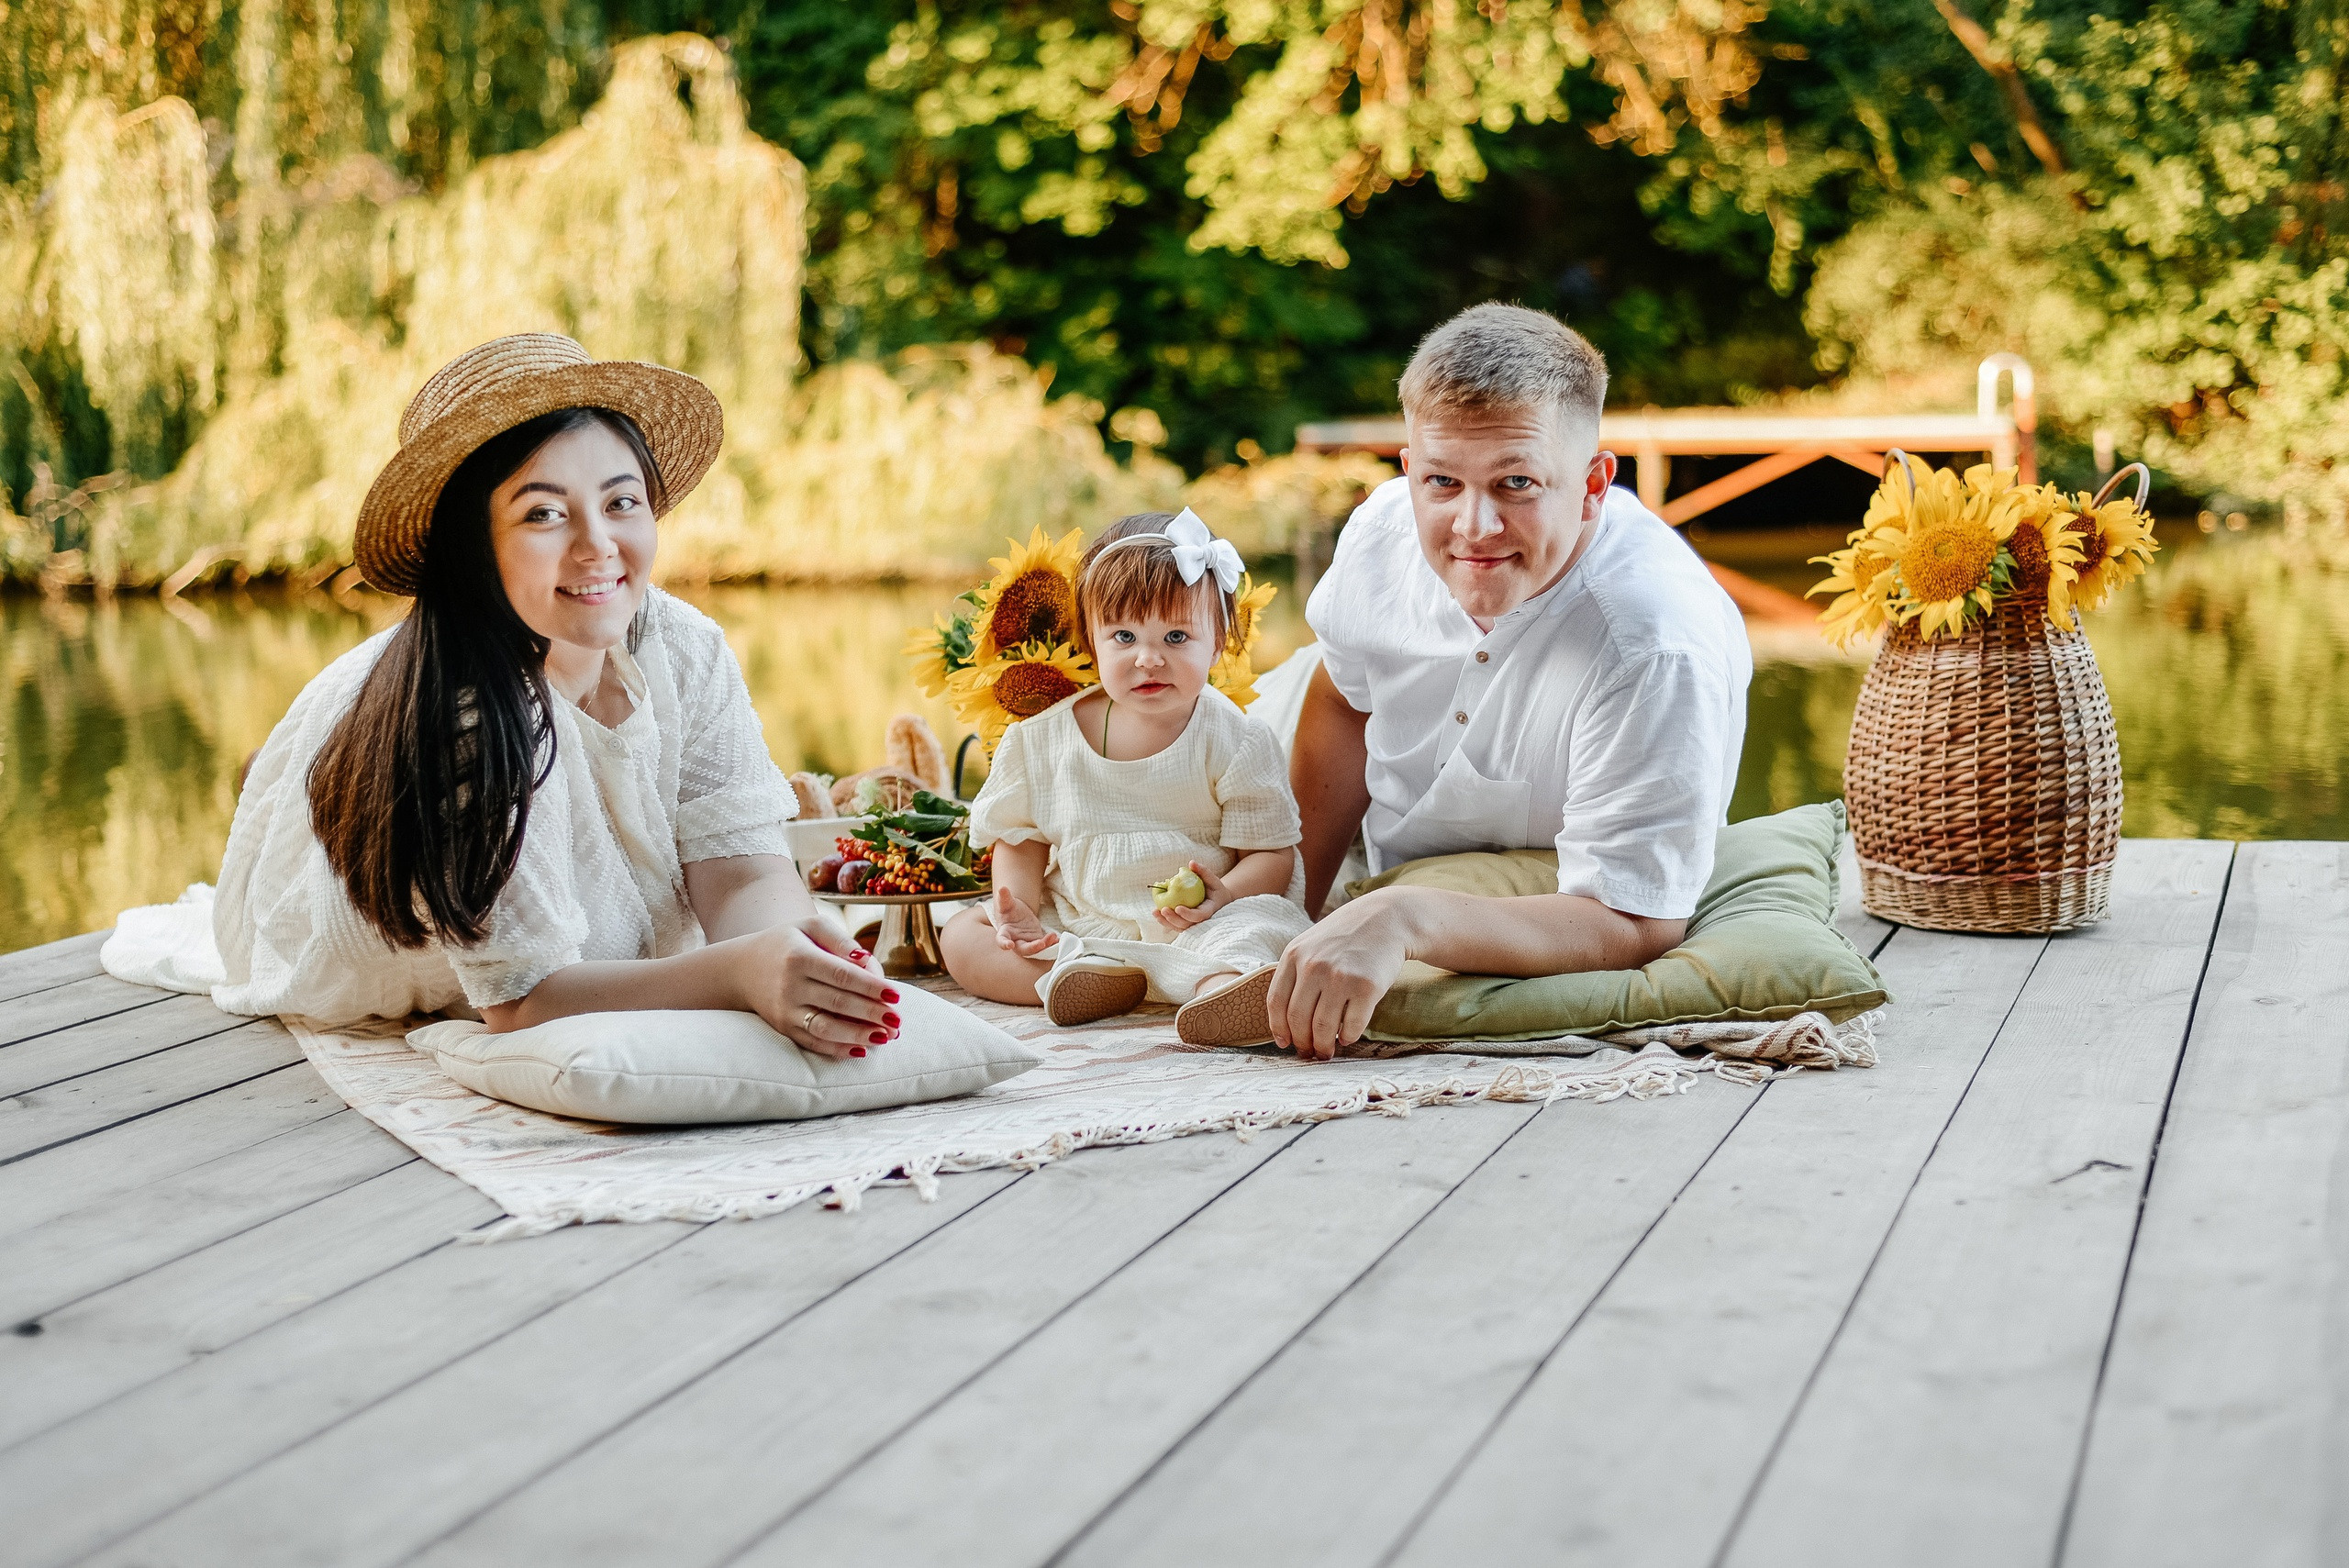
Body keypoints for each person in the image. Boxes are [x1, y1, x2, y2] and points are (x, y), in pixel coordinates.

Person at [213, 333, 900, 1060]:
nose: (597, 543)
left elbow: (739, 870)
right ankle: (285, 793)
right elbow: (522, 1001)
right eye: (544, 514)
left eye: (622, 501)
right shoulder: (468, 721)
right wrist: (737, 973)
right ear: (474, 545)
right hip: (367, 901)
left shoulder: (682, 644)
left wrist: (786, 943)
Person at [1273, 303, 1753, 1058]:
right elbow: (1341, 700)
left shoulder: (1654, 644)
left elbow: (1636, 920)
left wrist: (1402, 920)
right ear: (1408, 473)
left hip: (1555, 896)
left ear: (1593, 484)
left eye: (1516, 483)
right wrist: (1286, 913)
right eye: (1441, 482)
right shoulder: (1380, 533)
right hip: (1379, 855)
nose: (1474, 526)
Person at [940, 510, 1311, 1046]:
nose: (1148, 658)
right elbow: (1020, 839)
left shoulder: (1236, 739)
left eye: (1177, 636)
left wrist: (1223, 894)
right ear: (1091, 640)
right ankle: (1078, 980)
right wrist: (1015, 911)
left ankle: (1219, 989)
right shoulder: (1042, 741)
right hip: (1082, 922)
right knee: (963, 936)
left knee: (1258, 931)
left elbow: (1272, 855)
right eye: (1124, 636)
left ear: (1219, 641)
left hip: (1199, 922)